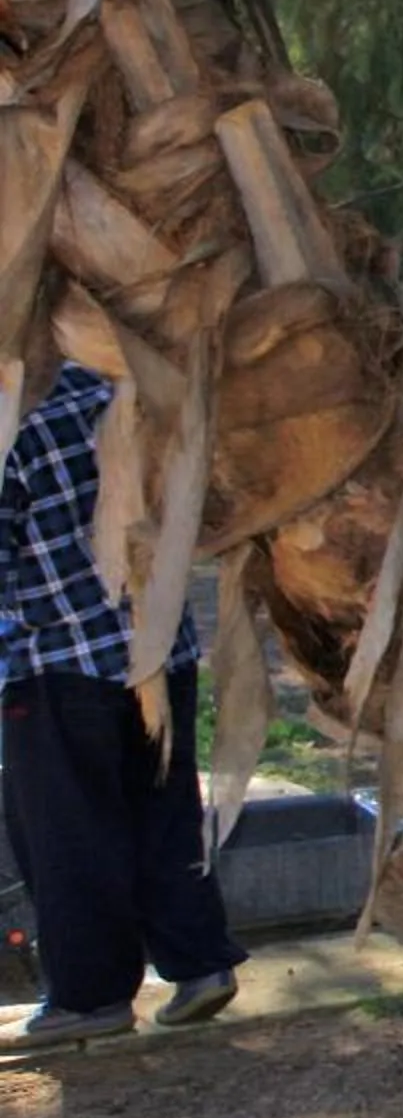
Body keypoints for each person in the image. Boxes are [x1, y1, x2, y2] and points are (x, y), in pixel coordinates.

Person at [1, 362, 249, 1049]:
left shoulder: (9, 421)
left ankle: (90, 998)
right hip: (159, 648)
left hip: (59, 663)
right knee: (164, 812)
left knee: (69, 835)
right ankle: (201, 965)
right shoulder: (113, 386)